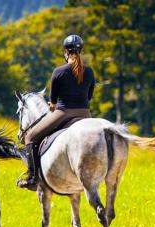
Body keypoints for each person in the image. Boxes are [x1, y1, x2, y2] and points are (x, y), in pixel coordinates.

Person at [17, 34, 95, 190]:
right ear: (80, 51)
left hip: (63, 113)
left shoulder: (58, 72)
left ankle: (32, 178)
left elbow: (52, 104)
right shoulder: (89, 71)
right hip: (85, 114)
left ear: (65, 51)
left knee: (30, 137)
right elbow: (89, 96)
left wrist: (53, 105)